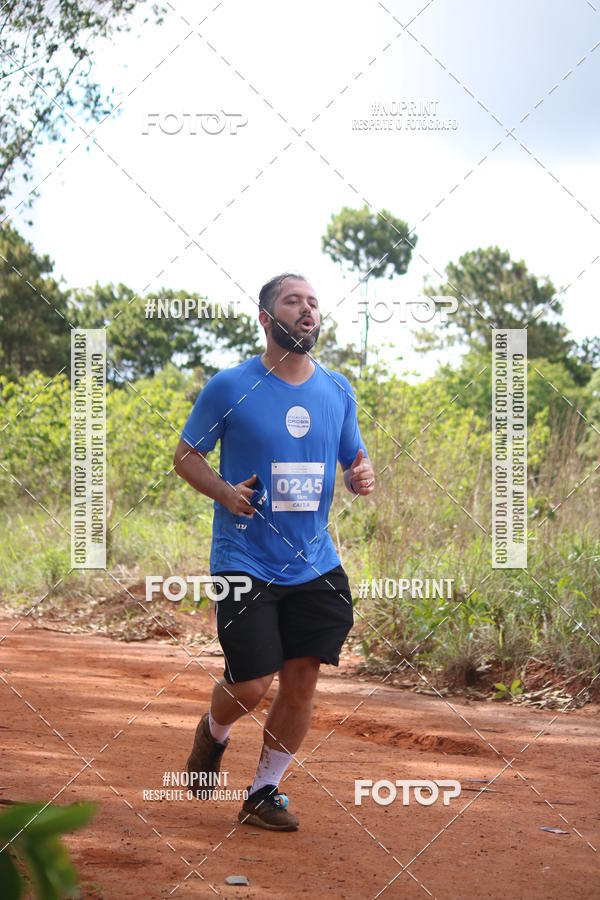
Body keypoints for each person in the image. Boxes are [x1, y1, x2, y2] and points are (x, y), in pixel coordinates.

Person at [173, 272, 375, 831]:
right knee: (252, 682)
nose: (307, 310)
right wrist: (224, 492)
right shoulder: (230, 386)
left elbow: (354, 459)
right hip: (244, 557)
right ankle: (212, 734)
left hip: (314, 560)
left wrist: (362, 474)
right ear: (266, 318)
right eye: (293, 301)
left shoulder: (337, 389)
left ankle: (263, 791)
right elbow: (186, 456)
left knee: (302, 676)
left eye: (313, 302)